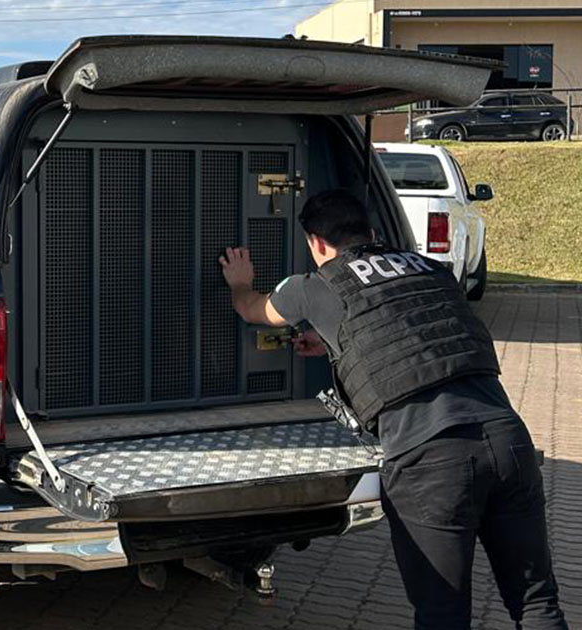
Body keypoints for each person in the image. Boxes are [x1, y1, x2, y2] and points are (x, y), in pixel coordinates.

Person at [219, 188, 568, 630]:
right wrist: (335, 345)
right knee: (537, 602)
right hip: (509, 440)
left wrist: (240, 284)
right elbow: (414, 333)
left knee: (442, 612)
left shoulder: (313, 287)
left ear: (317, 244)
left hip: (432, 460)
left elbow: (253, 311)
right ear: (372, 231)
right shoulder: (434, 270)